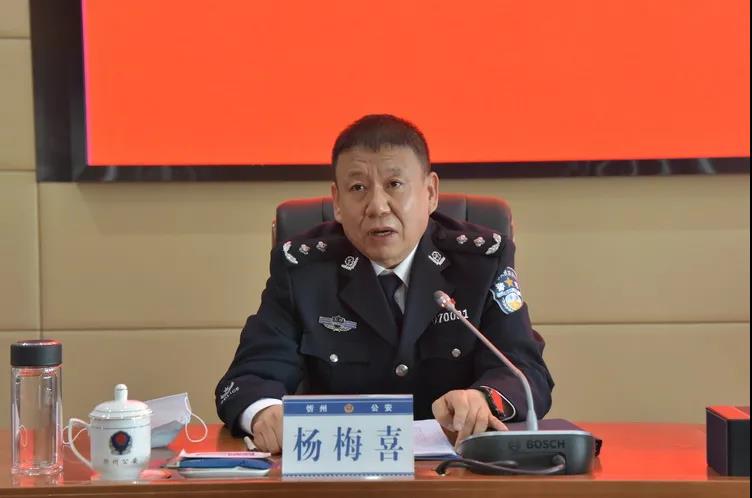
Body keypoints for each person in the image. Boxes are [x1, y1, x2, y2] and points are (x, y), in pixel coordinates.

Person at [215, 114, 554, 453]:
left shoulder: (481, 262)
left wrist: (484, 399)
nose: (377, 207)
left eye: (394, 184)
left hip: (458, 468)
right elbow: (247, 378)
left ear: (430, 193)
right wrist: (264, 413)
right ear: (337, 202)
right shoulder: (303, 270)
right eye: (358, 188)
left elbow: (526, 372)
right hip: (339, 469)